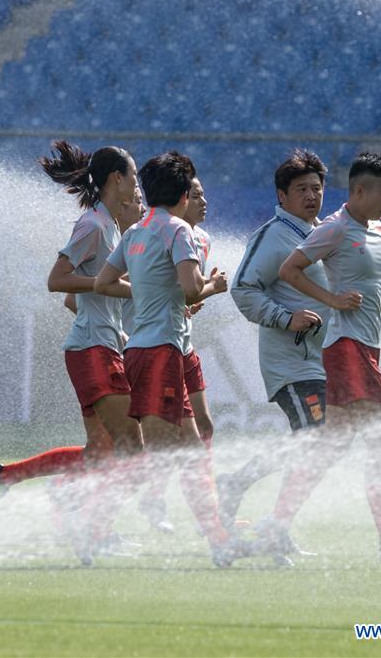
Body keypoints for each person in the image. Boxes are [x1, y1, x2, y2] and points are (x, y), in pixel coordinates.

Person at [276, 152, 381, 567]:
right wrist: (331, 300)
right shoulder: (334, 227)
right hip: (347, 346)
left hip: (364, 346)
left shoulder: (376, 227)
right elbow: (290, 269)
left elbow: (367, 280)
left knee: (331, 446)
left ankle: (273, 527)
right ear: (359, 191)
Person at [95, 151, 253, 568]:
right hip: (163, 351)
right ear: (184, 194)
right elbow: (189, 289)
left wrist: (149, 295)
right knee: (158, 455)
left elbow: (102, 282)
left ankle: (220, 542)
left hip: (147, 348)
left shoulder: (135, 231)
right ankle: (91, 525)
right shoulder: (180, 231)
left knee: (191, 447)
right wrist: (214, 286)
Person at [0, 186, 145, 507]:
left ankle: (5, 476)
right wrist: (123, 293)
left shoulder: (111, 233)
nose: (141, 207)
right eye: (137, 199)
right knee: (131, 448)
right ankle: (87, 520)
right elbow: (58, 282)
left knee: (100, 452)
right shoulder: (96, 226)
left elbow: (74, 300)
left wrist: (116, 331)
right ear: (119, 194)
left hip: (101, 346)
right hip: (95, 351)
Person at [226, 149, 331, 563]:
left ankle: (256, 501)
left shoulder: (318, 233)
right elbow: (243, 288)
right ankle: (271, 520)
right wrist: (286, 319)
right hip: (292, 362)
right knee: (316, 441)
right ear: (282, 195)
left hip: (320, 361)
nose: (311, 196)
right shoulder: (274, 234)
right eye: (302, 189)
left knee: (314, 442)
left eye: (317, 188)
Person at [136, 175, 219, 534]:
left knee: (204, 428)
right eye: (196, 194)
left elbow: (185, 292)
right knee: (171, 438)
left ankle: (209, 511)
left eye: (204, 194)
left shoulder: (201, 239)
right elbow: (181, 287)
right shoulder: (164, 231)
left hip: (184, 343)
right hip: (159, 344)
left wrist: (191, 304)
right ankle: (163, 500)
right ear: (182, 198)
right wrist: (212, 288)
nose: (203, 201)